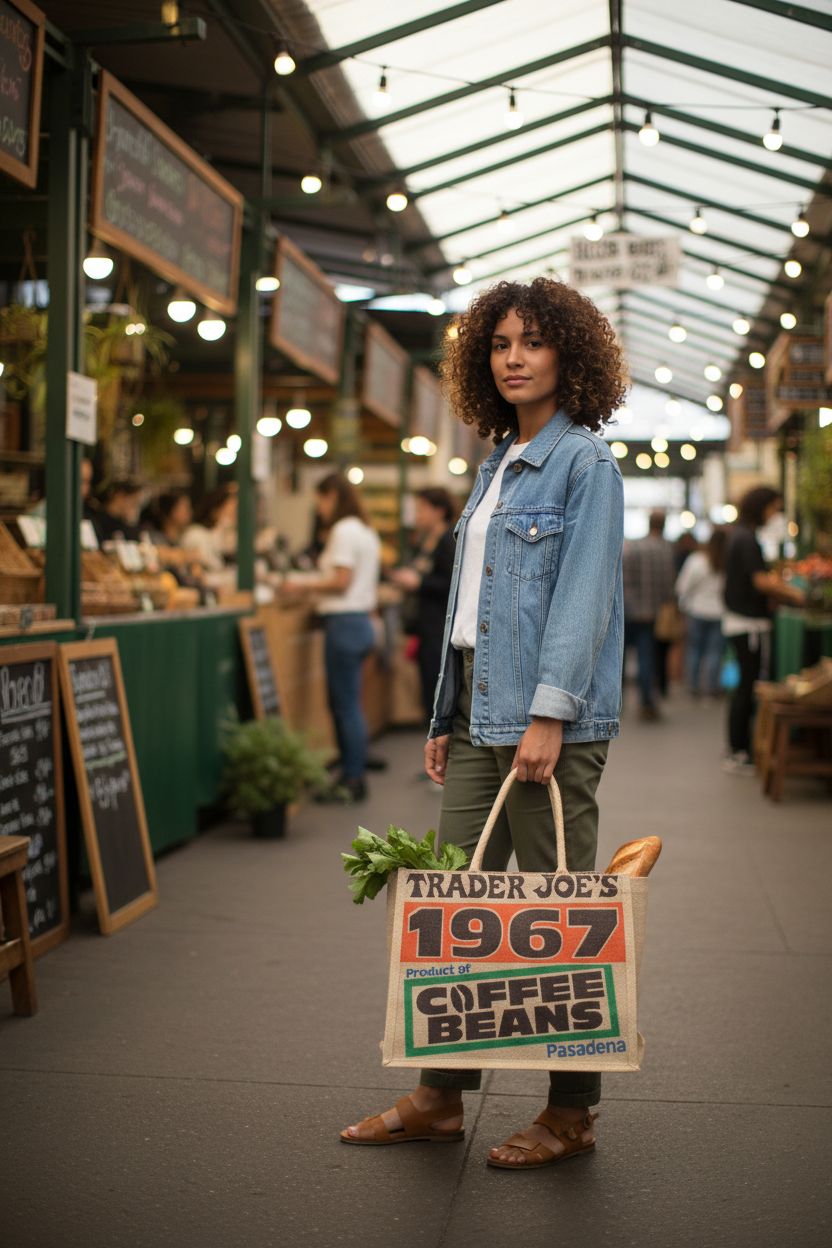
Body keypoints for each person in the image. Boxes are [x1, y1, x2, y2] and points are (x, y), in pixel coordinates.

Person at [341, 276, 626, 1169]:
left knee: (555, 913)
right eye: (501, 343)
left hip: (549, 722)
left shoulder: (586, 464)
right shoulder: (498, 460)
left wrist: (548, 717)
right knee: (452, 904)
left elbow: (582, 602)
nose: (513, 357)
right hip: (476, 709)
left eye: (533, 342)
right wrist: (448, 711)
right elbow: (472, 605)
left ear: (567, 355)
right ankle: (439, 1094)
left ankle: (572, 1110)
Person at [285, 473, 381, 802]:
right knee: (349, 703)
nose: (319, 509)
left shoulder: (343, 531)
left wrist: (301, 584)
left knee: (344, 705)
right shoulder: (366, 531)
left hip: (344, 623)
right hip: (361, 622)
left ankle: (352, 779)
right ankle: (351, 772)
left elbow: (341, 581)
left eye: (320, 501)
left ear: (332, 497)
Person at [722, 486, 804, 774]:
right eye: (774, 507)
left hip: (740, 622)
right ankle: (740, 751)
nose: (775, 514)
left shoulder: (741, 535)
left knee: (746, 684)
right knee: (748, 684)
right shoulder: (746, 538)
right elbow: (761, 582)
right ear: (762, 506)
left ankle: (739, 748)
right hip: (748, 624)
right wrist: (794, 594)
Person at [390, 487, 456, 723]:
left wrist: (419, 582)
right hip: (426, 627)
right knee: (427, 690)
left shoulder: (448, 540)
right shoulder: (426, 541)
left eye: (421, 509)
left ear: (439, 511)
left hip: (438, 628)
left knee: (436, 691)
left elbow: (451, 582)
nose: (417, 515)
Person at [622, 510, 676, 720]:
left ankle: (616, 703)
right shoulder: (666, 550)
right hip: (652, 611)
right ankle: (646, 703)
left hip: (629, 610)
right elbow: (669, 583)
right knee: (647, 659)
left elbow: (623, 576)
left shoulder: (635, 547)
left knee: (621, 660)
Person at [676, 528, 727, 698]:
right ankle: (712, 687)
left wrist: (683, 605)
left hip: (697, 611)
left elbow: (682, 586)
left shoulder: (696, 561)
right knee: (715, 652)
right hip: (719, 613)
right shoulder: (726, 562)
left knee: (695, 649)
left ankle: (693, 685)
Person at [182, 486, 237, 573]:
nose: (235, 518)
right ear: (215, 511)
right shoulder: (196, 534)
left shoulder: (220, 535)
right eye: (231, 512)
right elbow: (205, 569)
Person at [91, 478, 144, 544]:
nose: (134, 508)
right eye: (133, 502)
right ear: (120, 496)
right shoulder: (97, 521)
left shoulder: (123, 524)